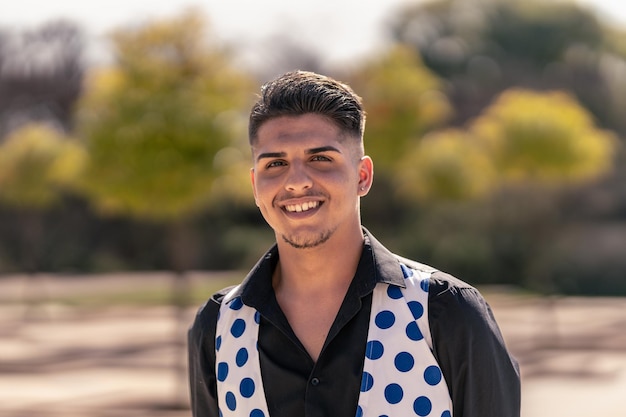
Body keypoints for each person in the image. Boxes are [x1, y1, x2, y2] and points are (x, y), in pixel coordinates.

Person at [188, 70, 520, 417]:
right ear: (256, 186)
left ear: (362, 176)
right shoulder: (217, 326)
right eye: (276, 163)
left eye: (320, 158)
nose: (297, 182)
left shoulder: (446, 313)